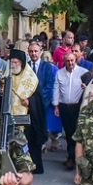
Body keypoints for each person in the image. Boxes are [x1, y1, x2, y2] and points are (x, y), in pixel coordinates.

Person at [54, 51, 91, 171]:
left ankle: (75, 158)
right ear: (64, 62)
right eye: (67, 61)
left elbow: (90, 89)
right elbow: (56, 89)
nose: (70, 63)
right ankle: (70, 156)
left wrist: (86, 87)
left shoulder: (83, 72)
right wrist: (56, 106)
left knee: (77, 132)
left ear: (75, 60)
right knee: (68, 133)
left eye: (72, 60)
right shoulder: (59, 73)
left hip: (77, 107)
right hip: (64, 106)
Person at [25, 42, 55, 174]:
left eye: (36, 51)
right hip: (27, 106)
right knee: (29, 135)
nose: (34, 54)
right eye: (31, 51)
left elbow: (49, 86)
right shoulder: (25, 67)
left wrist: (37, 102)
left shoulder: (47, 67)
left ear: (40, 52)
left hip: (41, 106)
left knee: (39, 134)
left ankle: (38, 165)